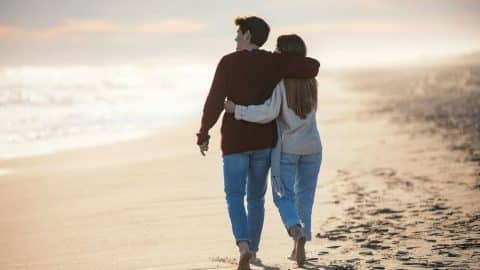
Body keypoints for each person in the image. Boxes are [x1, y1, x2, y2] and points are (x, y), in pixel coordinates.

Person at [196, 16, 319, 270]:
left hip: (234, 143)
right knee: (256, 199)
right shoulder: (273, 62)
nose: (236, 38)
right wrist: (286, 61)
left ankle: (243, 247)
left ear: (249, 35)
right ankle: (254, 252)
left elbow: (215, 98)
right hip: (264, 143)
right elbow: (312, 66)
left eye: (239, 34)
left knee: (234, 196)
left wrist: (204, 132)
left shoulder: (228, 62)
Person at [224, 34, 322, 267]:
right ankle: (301, 241)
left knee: (283, 197)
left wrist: (236, 109)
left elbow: (267, 113)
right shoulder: (312, 83)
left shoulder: (280, 83)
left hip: (287, 149)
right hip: (313, 148)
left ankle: (295, 231)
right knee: (305, 196)